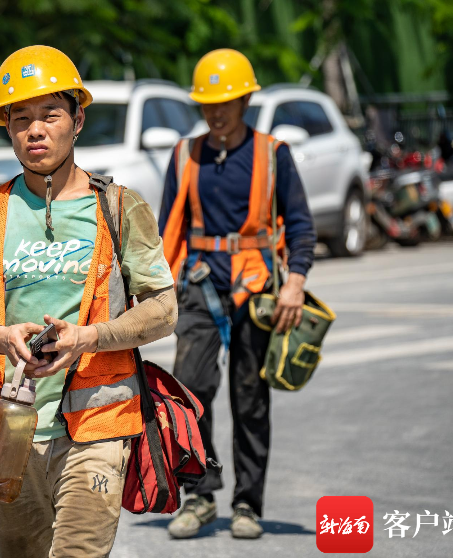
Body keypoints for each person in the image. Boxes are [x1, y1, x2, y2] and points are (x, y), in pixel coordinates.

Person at [0, 45, 177, 557]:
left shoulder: (121, 207)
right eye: (20, 118)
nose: (35, 130)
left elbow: (163, 309)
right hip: (9, 431)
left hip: (98, 428)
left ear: (78, 119)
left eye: (50, 114)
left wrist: (89, 337)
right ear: (6, 128)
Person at [158, 49, 316, 540]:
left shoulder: (274, 155)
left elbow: (302, 228)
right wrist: (155, 291)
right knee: (189, 391)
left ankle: (248, 503)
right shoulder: (186, 154)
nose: (216, 112)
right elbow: (167, 230)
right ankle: (200, 495)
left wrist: (295, 282)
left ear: (246, 99)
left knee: (250, 399)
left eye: (226, 101)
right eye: (208, 104)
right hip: (201, 287)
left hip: (257, 291)